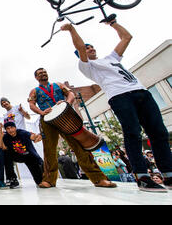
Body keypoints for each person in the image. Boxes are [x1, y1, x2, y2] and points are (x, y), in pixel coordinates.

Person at [61, 20, 172, 192]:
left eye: (92, 47)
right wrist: (71, 29)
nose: (90, 48)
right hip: (120, 97)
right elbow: (80, 47)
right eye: (87, 48)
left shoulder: (111, 58)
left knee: (159, 132)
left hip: (141, 92)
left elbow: (126, 37)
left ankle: (168, 174)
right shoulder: (87, 66)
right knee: (133, 133)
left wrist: (113, 23)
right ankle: (142, 177)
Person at [28, 68, 116, 189]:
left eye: (44, 72)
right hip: (47, 120)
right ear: (36, 78)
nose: (43, 74)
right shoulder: (34, 91)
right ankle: (49, 180)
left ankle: (98, 178)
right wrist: (41, 112)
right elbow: (31, 105)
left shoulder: (58, 85)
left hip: (65, 117)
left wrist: (67, 103)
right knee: (49, 150)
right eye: (39, 73)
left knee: (79, 146)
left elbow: (70, 94)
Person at [0, 120, 44, 188]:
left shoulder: (22, 133)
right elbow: (1, 147)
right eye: (8, 128)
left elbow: (32, 136)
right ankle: (12, 179)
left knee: (40, 181)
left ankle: (42, 173)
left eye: (12, 127)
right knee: (3, 153)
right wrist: (0, 134)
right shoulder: (6, 137)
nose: (10, 130)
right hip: (17, 156)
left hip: (29, 157)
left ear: (15, 128)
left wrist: (37, 136)